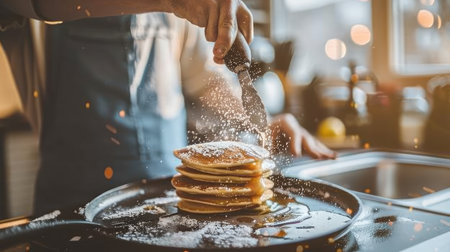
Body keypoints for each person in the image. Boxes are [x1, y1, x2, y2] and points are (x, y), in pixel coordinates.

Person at [0, 0, 335, 215]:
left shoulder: (175, 13)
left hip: (171, 207)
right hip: (69, 209)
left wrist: (263, 123)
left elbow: (206, 81)